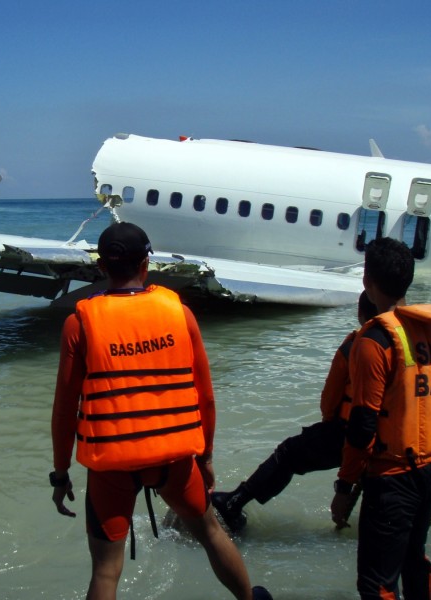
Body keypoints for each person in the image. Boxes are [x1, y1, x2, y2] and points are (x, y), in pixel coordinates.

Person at [50, 222, 272, 600]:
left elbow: (64, 410)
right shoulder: (180, 314)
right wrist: (206, 456)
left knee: (105, 571)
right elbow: (206, 397)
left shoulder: (79, 324)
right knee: (211, 533)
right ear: (146, 264)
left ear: (101, 267)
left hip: (112, 466)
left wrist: (61, 474)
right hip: (175, 460)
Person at [330, 237, 431, 599]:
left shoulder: (373, 340)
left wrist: (344, 488)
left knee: (377, 584)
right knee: (414, 561)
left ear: (366, 281)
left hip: (394, 476)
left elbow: (363, 424)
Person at [211, 291, 379, 532]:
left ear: (360, 313)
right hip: (391, 439)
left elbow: (330, 399)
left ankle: (235, 502)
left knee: (289, 453)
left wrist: (327, 428)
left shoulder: (355, 346)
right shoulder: (404, 341)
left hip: (351, 432)